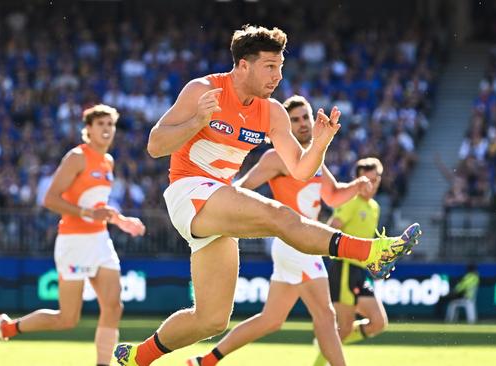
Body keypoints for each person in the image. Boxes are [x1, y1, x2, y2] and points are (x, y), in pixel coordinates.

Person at [114, 25, 421, 366]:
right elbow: (155, 146)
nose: (278, 76)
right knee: (281, 217)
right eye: (270, 66)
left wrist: (320, 143)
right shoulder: (203, 89)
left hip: (218, 198)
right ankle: (370, 252)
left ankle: (138, 357)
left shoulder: (272, 111)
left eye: (280, 66)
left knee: (212, 319)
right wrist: (197, 120)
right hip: (189, 190)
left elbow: (302, 171)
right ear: (243, 65)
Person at [187, 95, 373, 366]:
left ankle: (208, 360)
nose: (302, 124)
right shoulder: (276, 157)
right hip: (297, 243)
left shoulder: (313, 158)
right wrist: (218, 210)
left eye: (305, 118)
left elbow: (331, 196)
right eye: (294, 120)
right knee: (325, 315)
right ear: (286, 125)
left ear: (313, 119)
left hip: (297, 244)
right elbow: (242, 188)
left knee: (271, 320)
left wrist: (357, 186)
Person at [0, 104, 146, 366]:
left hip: (101, 240)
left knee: (114, 307)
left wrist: (120, 220)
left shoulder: (108, 161)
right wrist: (88, 213)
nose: (107, 129)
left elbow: (97, 207)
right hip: (74, 242)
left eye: (110, 125)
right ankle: (6, 328)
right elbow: (50, 199)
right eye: (100, 124)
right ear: (88, 129)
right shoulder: (77, 157)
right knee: (67, 319)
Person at [313, 157, 389, 366]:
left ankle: (329, 344)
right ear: (357, 180)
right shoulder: (351, 201)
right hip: (344, 268)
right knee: (344, 328)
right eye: (367, 179)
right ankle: (323, 356)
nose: (371, 185)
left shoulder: (374, 206)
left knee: (378, 322)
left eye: (375, 180)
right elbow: (332, 227)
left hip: (360, 272)